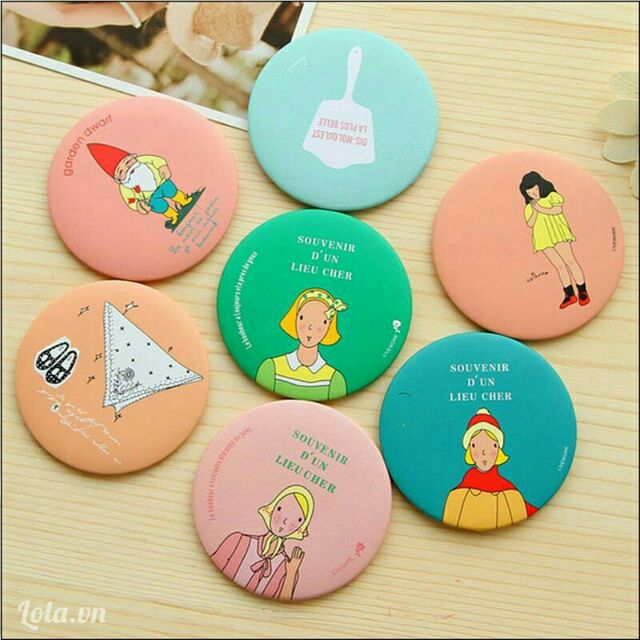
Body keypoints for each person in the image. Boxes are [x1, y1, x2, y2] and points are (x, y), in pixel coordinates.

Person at [211, 485, 314, 600]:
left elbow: (284, 601)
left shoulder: (288, 568)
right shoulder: (237, 541)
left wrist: (291, 574)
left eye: (298, 520)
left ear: (301, 527)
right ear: (272, 508)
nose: (285, 521)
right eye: (280, 508)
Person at [442, 408, 537, 531]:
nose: (484, 452)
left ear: (498, 449)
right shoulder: (456, 497)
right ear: (469, 450)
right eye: (475, 445)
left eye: (492, 445)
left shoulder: (511, 495)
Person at [256, 288, 348, 401]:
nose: (310, 328)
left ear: (329, 327)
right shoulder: (271, 368)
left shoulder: (334, 379)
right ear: (295, 318)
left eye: (323, 322)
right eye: (302, 318)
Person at [519, 171, 590, 309]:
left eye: (535, 190)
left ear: (540, 185)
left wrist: (540, 208)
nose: (534, 194)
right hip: (543, 237)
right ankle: (569, 294)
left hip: (557, 233)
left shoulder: (552, 196)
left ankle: (582, 291)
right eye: (530, 193)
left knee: (570, 261)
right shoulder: (529, 207)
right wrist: (534, 209)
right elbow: (531, 223)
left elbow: (557, 210)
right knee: (559, 266)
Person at [87, 142, 195, 227]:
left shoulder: (142, 160)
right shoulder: (125, 187)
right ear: (118, 179)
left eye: (127, 162)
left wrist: (162, 167)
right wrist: (138, 205)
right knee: (160, 206)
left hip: (162, 182)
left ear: (133, 157)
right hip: (150, 198)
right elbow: (130, 200)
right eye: (121, 171)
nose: (128, 169)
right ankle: (173, 215)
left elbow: (156, 160)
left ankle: (183, 200)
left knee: (172, 191)